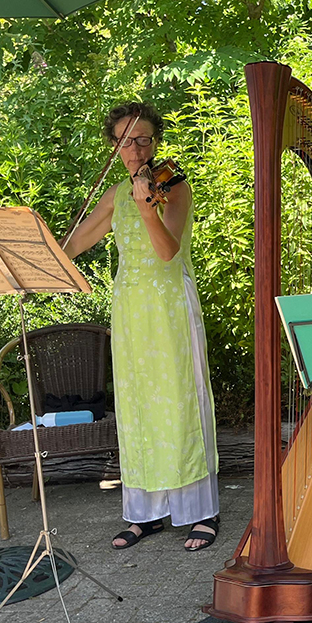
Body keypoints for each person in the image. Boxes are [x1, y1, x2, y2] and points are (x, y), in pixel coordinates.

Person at [63, 102, 220, 551]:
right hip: (131, 308)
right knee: (136, 408)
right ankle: (145, 513)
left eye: (143, 139)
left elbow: (167, 251)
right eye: (124, 140)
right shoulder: (115, 194)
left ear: (155, 142)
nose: (134, 149)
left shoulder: (174, 186)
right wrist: (34, 262)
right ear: (113, 146)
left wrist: (148, 209)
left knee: (179, 401)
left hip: (169, 304)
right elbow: (78, 241)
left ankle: (199, 511)